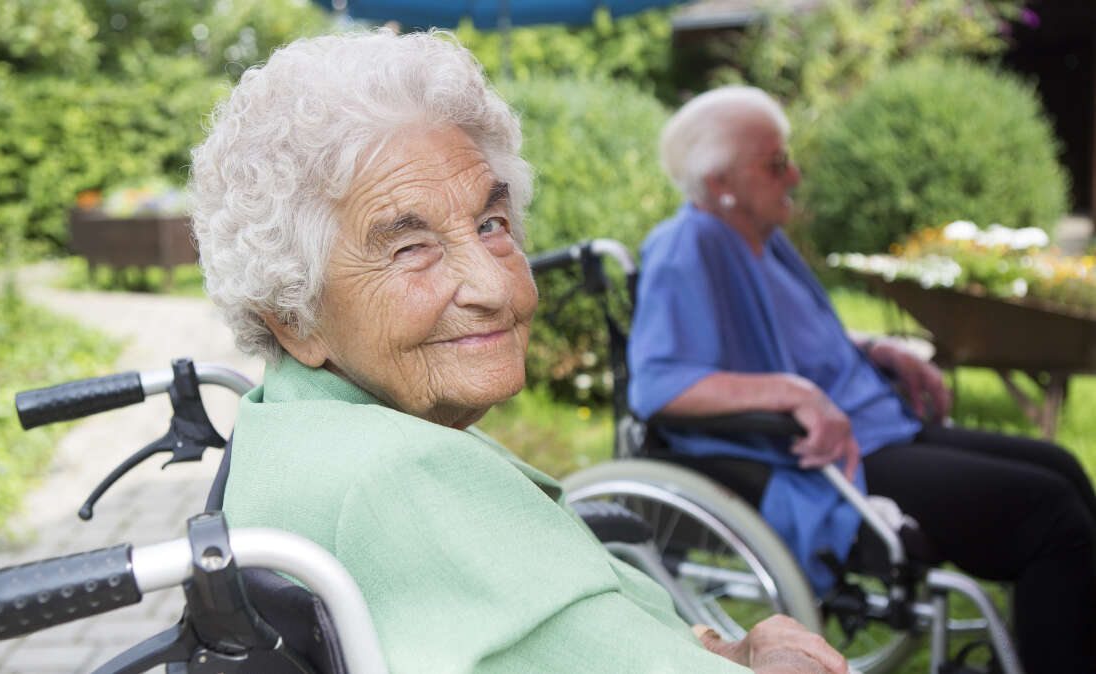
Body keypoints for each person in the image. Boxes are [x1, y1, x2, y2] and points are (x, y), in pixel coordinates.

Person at [188, 31, 846, 674]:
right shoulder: (406, 482)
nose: (497, 286)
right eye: (409, 247)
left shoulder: (290, 419)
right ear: (294, 318)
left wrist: (711, 646)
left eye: (491, 225)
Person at [628, 85, 1096, 673]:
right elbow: (659, 383)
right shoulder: (687, 246)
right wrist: (795, 393)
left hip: (875, 424)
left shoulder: (762, 243)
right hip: (823, 462)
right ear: (720, 182)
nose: (794, 174)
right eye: (776, 163)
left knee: (1064, 469)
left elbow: (795, 341)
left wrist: (879, 348)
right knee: (1051, 515)